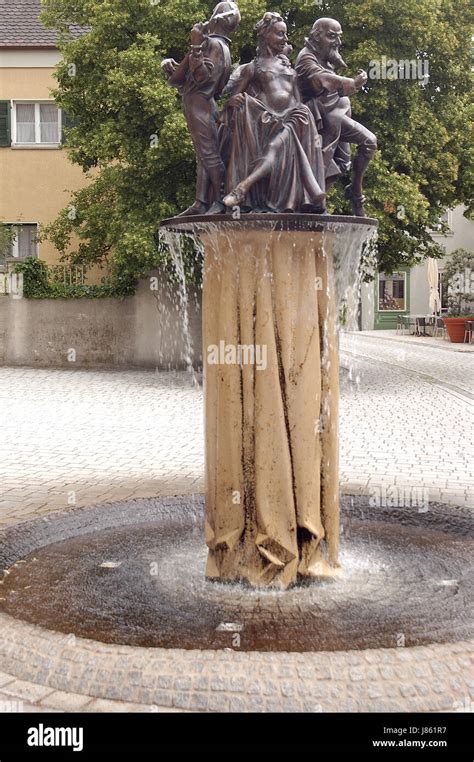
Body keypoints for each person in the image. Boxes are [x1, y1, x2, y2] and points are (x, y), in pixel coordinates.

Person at [220, 12, 326, 213]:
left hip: (293, 118)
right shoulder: (253, 68)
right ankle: (247, 187)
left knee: (294, 123)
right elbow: (233, 98)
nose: (285, 39)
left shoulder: (288, 65)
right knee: (276, 145)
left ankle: (243, 187)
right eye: (280, 34)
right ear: (265, 34)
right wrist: (233, 101)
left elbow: (297, 99)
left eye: (285, 35)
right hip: (265, 121)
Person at [161, 2, 241, 215]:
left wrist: (196, 46)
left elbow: (202, 77)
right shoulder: (218, 46)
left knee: (209, 154)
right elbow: (178, 81)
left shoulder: (212, 45)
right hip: (201, 102)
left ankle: (221, 199)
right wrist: (169, 65)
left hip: (200, 103)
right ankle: (201, 202)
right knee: (203, 156)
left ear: (217, 19)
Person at [295, 18, 377, 216]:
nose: (337, 42)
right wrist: (351, 83)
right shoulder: (307, 57)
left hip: (335, 117)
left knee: (341, 163)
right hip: (324, 119)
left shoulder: (324, 59)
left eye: (338, 37)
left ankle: (316, 202)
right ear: (316, 36)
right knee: (370, 141)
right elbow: (321, 80)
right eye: (332, 36)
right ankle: (355, 193)